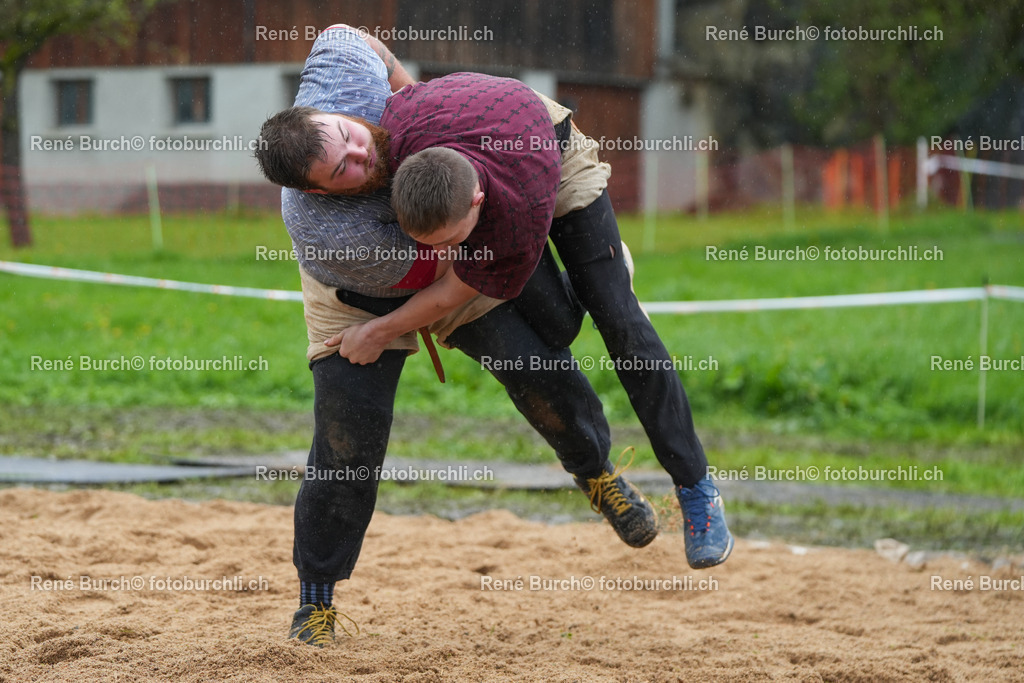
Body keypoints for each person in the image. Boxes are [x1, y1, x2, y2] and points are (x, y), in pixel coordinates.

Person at [255, 24, 658, 648]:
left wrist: (411, 95)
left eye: (352, 139)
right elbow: (445, 286)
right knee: (347, 439)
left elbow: (347, 32)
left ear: (330, 108)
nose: (361, 156)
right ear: (314, 189)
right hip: (373, 288)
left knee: (538, 370)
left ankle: (596, 472)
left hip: (448, 251)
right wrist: (379, 333)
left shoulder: (341, 69)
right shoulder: (333, 231)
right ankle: (316, 599)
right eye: (343, 170)